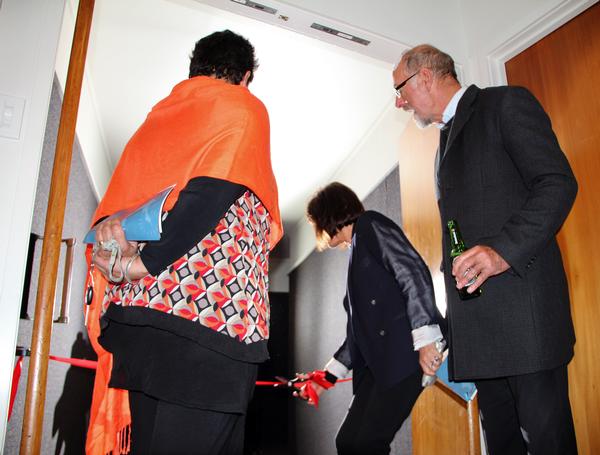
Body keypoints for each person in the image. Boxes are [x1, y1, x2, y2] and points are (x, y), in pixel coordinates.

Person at [84, 30, 282, 455]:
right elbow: (211, 192)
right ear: (245, 77)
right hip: (206, 319)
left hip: (142, 323)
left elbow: (119, 211)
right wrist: (147, 262)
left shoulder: (158, 119)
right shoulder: (244, 108)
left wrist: (127, 267)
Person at [393, 44, 578, 454]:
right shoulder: (441, 145)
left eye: (400, 89)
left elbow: (557, 183)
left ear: (425, 76)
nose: (399, 101)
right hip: (477, 336)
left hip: (525, 324)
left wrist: (500, 252)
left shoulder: (506, 104)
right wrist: (446, 330)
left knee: (550, 443)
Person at [297, 182, 445, 455]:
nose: (318, 230)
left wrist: (426, 341)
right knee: (348, 443)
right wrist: (324, 378)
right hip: (379, 366)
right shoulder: (357, 247)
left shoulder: (370, 225)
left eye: (317, 221)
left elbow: (411, 273)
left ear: (329, 215)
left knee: (367, 444)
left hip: (403, 356)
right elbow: (358, 332)